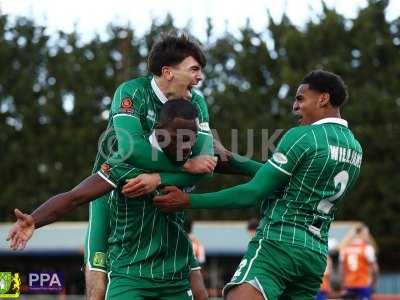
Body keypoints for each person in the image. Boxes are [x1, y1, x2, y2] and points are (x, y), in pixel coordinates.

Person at [153, 70, 363, 300]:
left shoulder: (304, 136)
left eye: (300, 98)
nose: (295, 106)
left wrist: (187, 200)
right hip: (314, 254)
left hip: (279, 244)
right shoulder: (354, 147)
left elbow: (251, 194)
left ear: (323, 98)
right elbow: (292, 182)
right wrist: (234, 159)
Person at [7, 99, 208, 300]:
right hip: (130, 275)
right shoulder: (128, 160)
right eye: (177, 138)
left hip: (174, 275)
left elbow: (232, 174)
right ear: (159, 130)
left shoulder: (197, 162)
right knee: (97, 292)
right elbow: (74, 197)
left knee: (202, 293)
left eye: (191, 138)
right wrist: (34, 219)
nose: (185, 146)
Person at [84, 33, 216, 300]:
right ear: (168, 72)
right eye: (194, 69)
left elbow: (205, 167)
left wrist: (158, 178)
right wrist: (181, 168)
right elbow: (130, 149)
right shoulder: (132, 92)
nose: (200, 77)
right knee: (97, 287)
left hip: (164, 197)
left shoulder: (197, 102)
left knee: (200, 291)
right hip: (113, 195)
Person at [340, 225, 379, 300]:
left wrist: (342, 285)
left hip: (349, 284)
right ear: (362, 234)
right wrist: (374, 283)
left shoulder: (345, 249)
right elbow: (375, 269)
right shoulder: (367, 248)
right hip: (363, 284)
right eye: (367, 234)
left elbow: (342, 269)